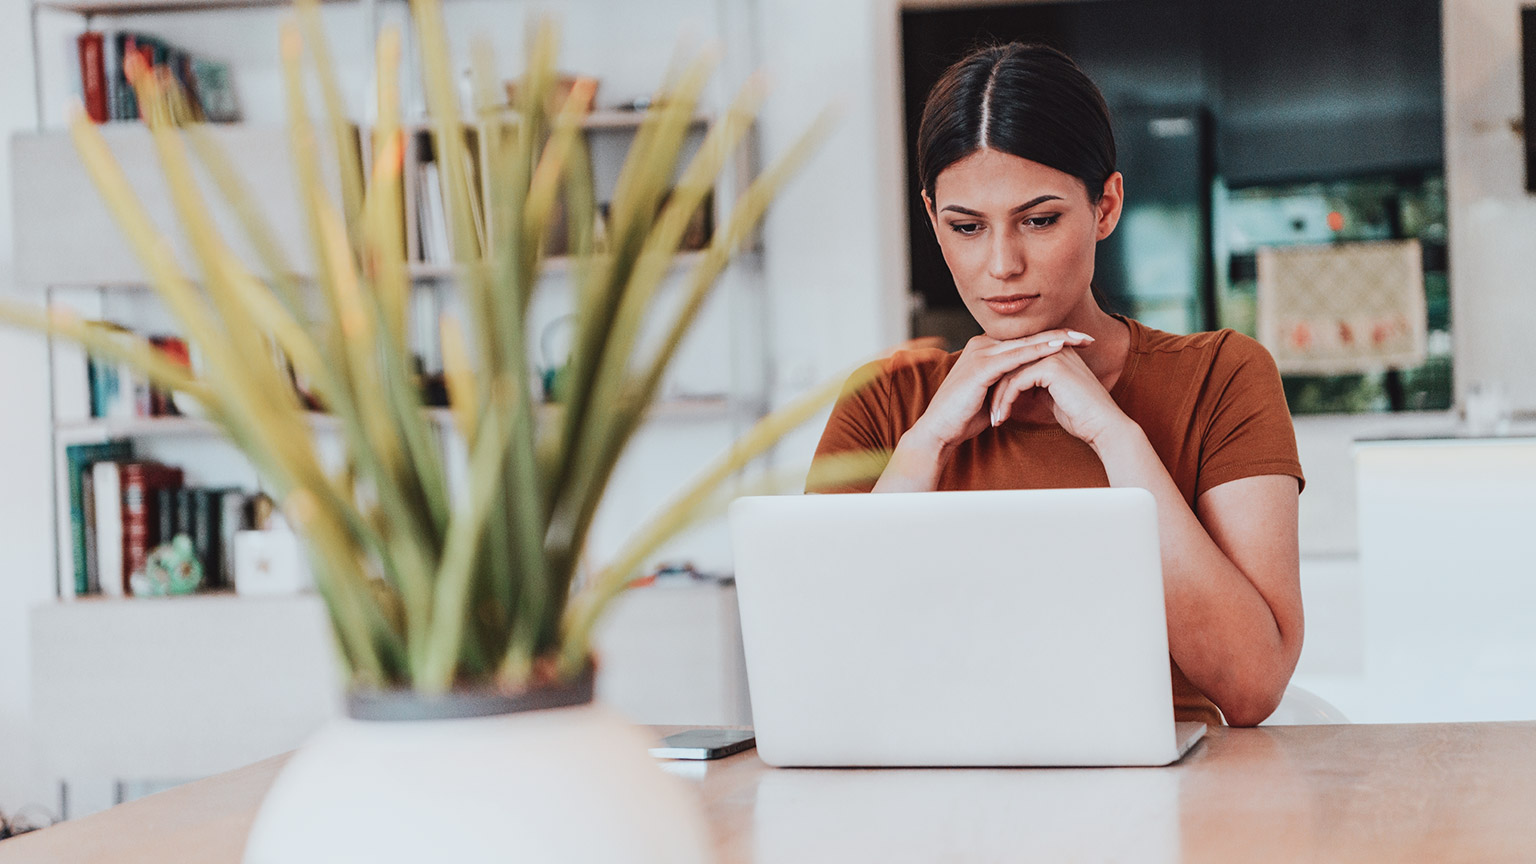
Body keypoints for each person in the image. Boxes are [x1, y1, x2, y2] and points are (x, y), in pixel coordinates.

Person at [809, 42, 1305, 727]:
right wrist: (926, 444)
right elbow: (823, 671)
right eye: (966, 227)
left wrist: (1114, 435)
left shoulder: (1222, 375)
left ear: (1105, 207)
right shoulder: (885, 400)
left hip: (1180, 800)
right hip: (937, 798)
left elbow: (1251, 686)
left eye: (1039, 220)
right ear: (933, 220)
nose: (1002, 264)